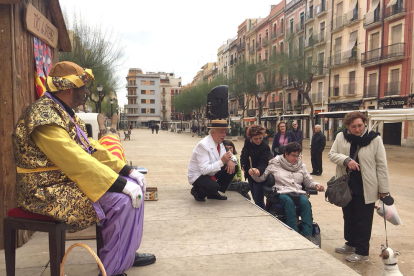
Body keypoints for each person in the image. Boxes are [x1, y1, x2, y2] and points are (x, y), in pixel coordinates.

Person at [12, 61, 155, 276]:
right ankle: (111, 271)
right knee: (120, 201)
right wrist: (118, 183)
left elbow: (91, 148)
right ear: (71, 89)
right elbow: (75, 159)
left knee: (135, 186)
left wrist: (126, 171)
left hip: (63, 182)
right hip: (43, 191)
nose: (86, 92)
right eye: (83, 87)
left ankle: (125, 252)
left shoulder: (64, 112)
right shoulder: (43, 116)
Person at [328, 111, 390, 263]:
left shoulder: (375, 139)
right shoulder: (341, 137)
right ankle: (350, 243)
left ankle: (362, 252)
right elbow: (332, 154)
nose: (357, 129)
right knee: (348, 216)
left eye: (360, 126)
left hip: (366, 187)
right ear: (348, 126)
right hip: (346, 186)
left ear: (365, 124)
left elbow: (381, 165)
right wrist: (346, 160)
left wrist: (384, 190)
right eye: (354, 126)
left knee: (363, 220)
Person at [249, 142, 324, 246]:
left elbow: (308, 181)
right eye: (293, 156)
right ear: (286, 154)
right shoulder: (275, 163)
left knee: (305, 202)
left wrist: (316, 185)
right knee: (288, 202)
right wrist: (254, 173)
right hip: (281, 192)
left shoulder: (301, 166)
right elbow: (262, 178)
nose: (296, 158)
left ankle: (308, 234)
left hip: (297, 192)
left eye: (298, 155)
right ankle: (294, 232)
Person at [188, 119, 238, 201]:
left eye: (225, 132)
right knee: (214, 186)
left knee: (234, 167)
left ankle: (213, 193)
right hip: (199, 175)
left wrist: (231, 160)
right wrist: (222, 161)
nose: (224, 135)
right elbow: (204, 170)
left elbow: (232, 156)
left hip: (212, 172)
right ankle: (197, 192)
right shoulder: (203, 145)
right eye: (221, 132)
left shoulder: (220, 143)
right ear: (212, 133)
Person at [240, 125, 270, 209]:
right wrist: (243, 164)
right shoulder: (247, 142)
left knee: (258, 200)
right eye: (255, 139)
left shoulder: (265, 147)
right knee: (254, 197)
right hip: (249, 173)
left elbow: (264, 163)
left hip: (259, 176)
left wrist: (258, 170)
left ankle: (264, 216)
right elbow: (243, 154)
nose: (258, 140)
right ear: (250, 138)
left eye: (260, 138)